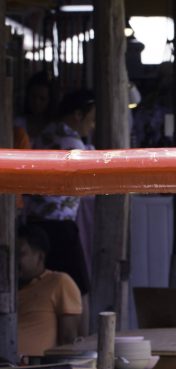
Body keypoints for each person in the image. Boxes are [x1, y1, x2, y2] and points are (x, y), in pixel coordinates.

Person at [24, 89, 95, 332]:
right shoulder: (74, 145)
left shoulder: (44, 135)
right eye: (91, 118)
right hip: (61, 227)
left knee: (45, 288)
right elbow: (91, 189)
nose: (92, 125)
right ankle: (81, 349)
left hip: (36, 226)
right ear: (77, 115)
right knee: (78, 289)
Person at [16, 224, 83, 360]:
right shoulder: (7, 289)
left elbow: (68, 339)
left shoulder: (59, 282)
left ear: (40, 257)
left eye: (20, 254)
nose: (13, 260)